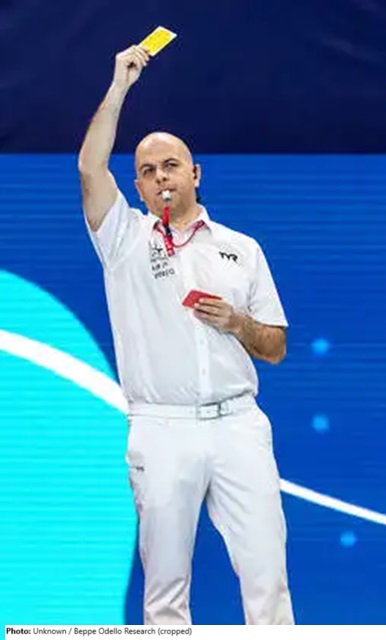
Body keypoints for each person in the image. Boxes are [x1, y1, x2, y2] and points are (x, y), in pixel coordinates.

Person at [78, 43, 295, 626]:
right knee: (165, 593)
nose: (160, 178)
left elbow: (275, 347)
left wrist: (237, 323)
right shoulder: (123, 240)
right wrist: (119, 86)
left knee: (268, 578)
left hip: (238, 425)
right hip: (161, 428)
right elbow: (90, 169)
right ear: (138, 187)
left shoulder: (241, 249)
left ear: (194, 174)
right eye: (147, 172)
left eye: (170, 166)